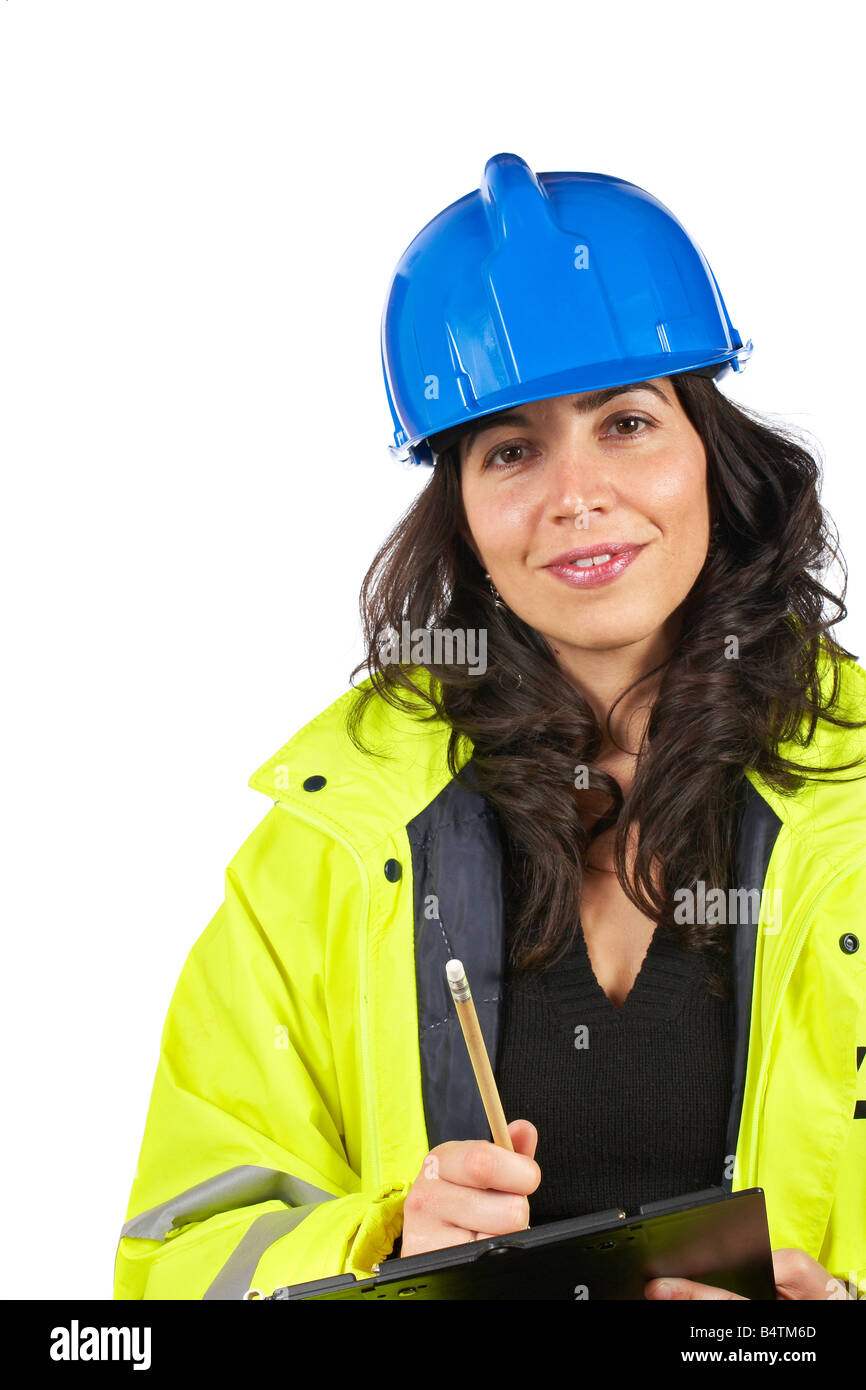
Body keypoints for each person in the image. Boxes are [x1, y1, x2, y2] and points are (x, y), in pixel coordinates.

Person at [114, 153, 866, 1301]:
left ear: (710, 449)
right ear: (457, 509)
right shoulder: (331, 847)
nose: (574, 494)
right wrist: (381, 1251)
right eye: (509, 448)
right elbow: (173, 1270)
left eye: (623, 421)